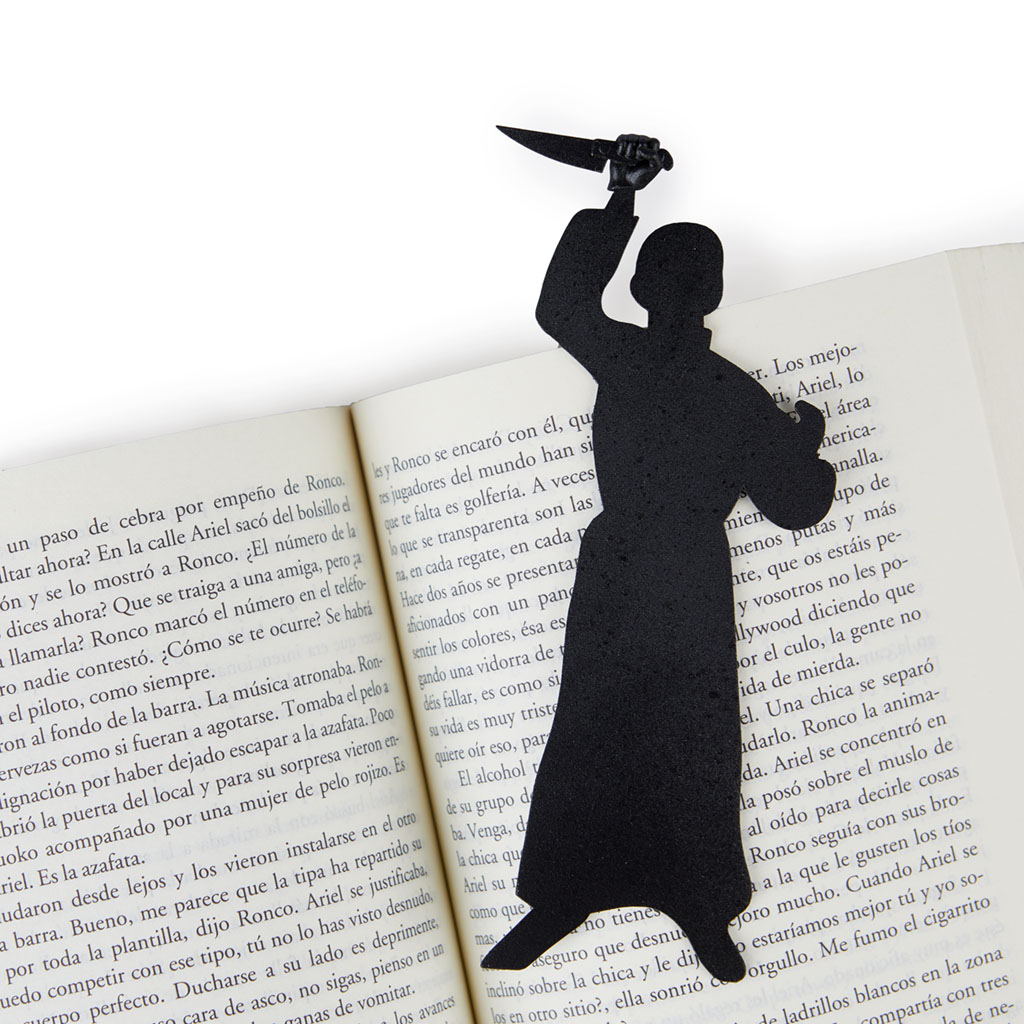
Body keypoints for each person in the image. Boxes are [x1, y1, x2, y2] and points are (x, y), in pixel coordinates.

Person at [482, 136, 835, 982]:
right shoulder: (726, 390)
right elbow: (796, 505)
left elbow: (563, 306)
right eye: (677, 279)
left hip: (644, 564)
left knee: (651, 728)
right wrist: (801, 446)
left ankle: (669, 902)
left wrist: (623, 198)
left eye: (680, 280)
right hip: (666, 567)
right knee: (644, 728)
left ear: (645, 288)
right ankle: (627, 899)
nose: (675, 293)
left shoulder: (643, 362)